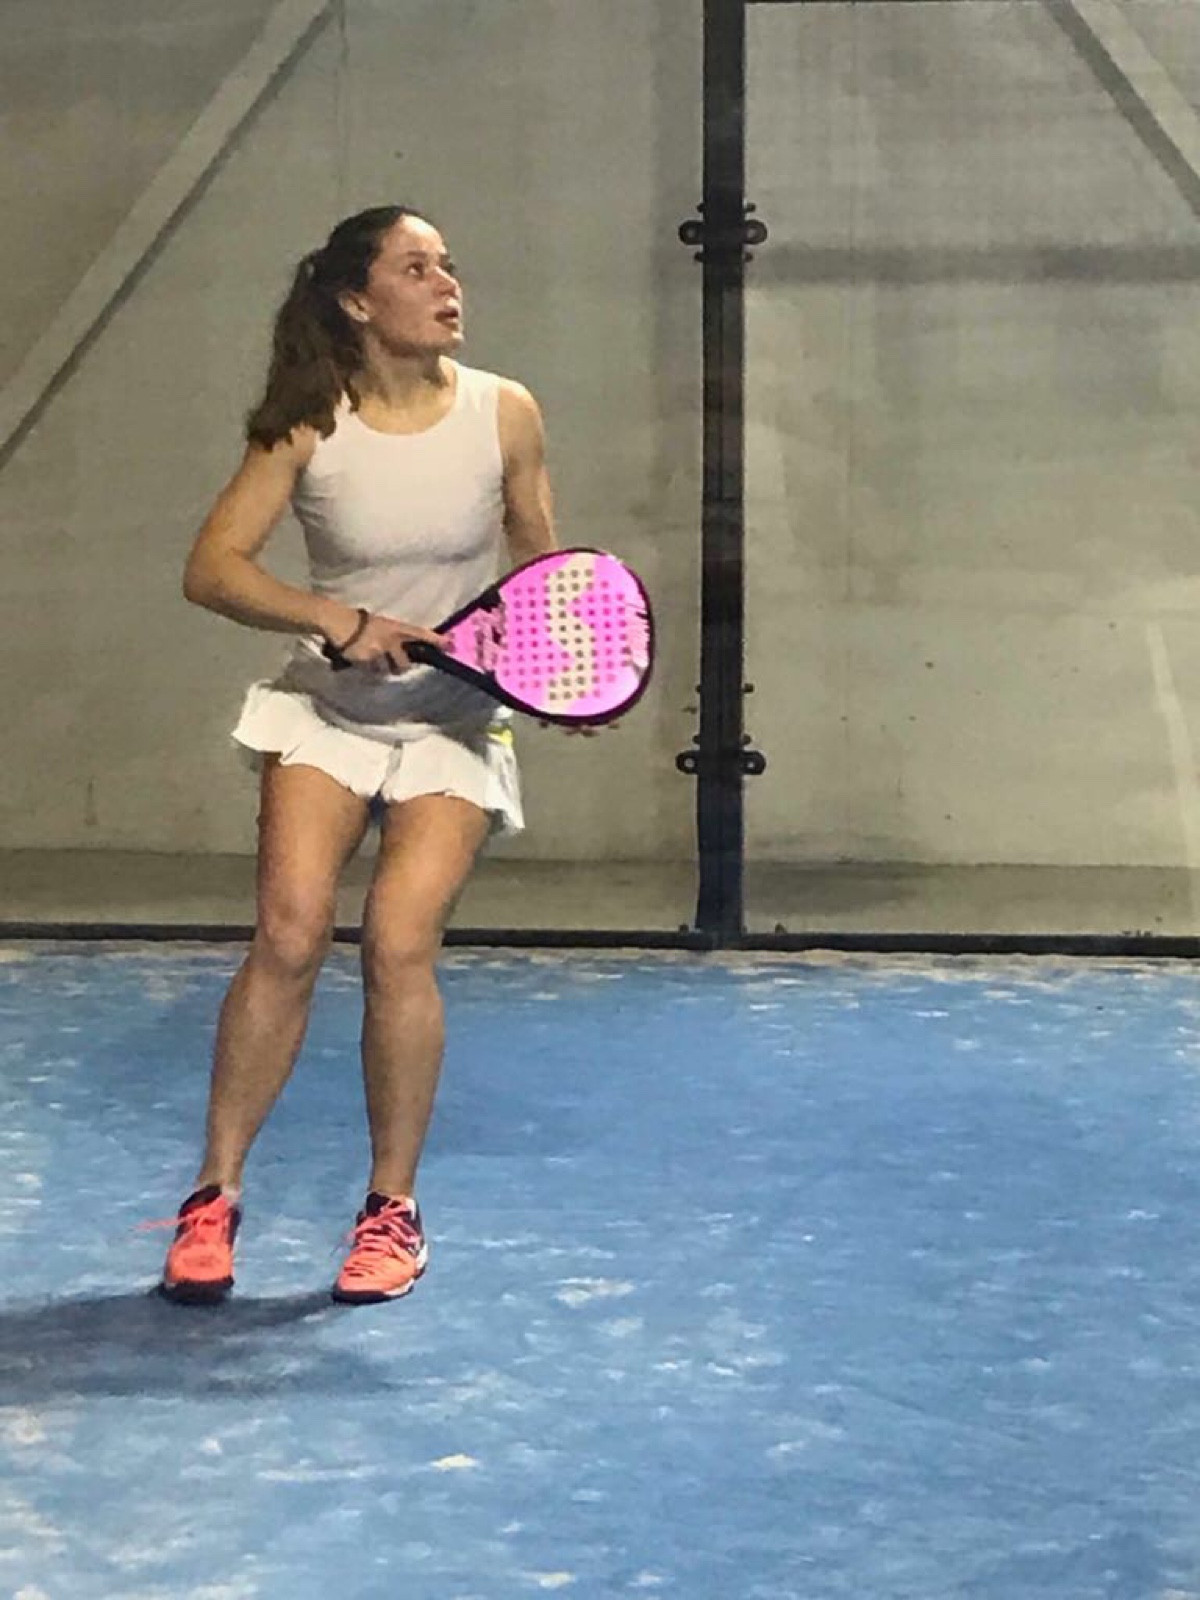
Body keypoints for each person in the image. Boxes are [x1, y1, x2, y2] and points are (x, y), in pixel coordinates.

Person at [159, 204, 557, 1306]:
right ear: (356, 300)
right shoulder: (308, 421)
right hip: (328, 716)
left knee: (397, 943)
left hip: (452, 726)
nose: (446, 285)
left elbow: (544, 573)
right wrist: (338, 619)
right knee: (289, 935)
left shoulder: (505, 411)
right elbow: (213, 567)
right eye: (415, 268)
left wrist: (557, 676)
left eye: (448, 264)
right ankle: (212, 1198)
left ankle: (391, 1211)